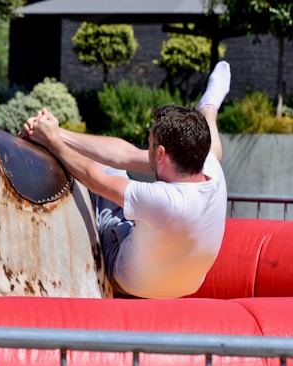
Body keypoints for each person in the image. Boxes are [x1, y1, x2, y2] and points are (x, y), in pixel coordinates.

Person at [19, 61, 231, 299]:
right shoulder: (210, 164)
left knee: (104, 174)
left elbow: (95, 178)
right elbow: (127, 155)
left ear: (161, 154)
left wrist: (53, 144)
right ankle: (210, 102)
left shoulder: (165, 201)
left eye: (149, 143)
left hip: (130, 282)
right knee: (206, 126)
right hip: (187, 284)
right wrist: (57, 134)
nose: (146, 147)